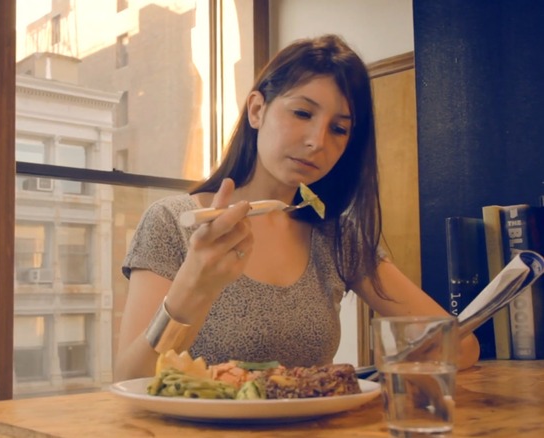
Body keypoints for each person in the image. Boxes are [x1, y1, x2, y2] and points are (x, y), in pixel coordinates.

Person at [114, 34, 479, 381]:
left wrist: (368, 376)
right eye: (303, 113)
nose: (317, 141)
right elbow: (131, 378)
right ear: (257, 110)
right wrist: (195, 286)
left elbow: (460, 345)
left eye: (339, 129)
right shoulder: (172, 222)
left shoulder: (337, 238)